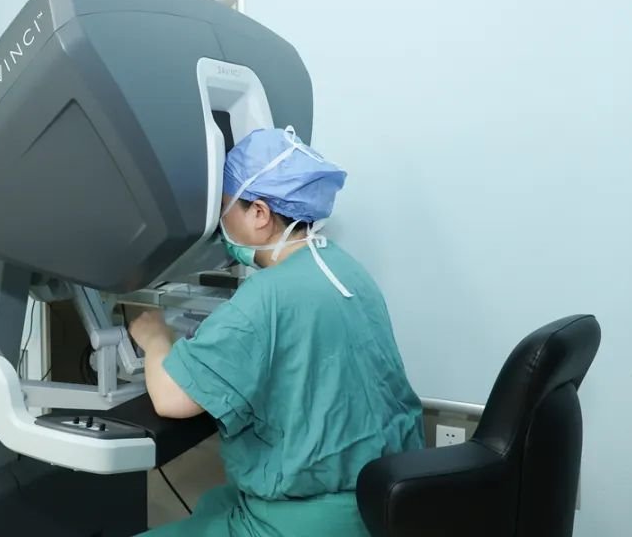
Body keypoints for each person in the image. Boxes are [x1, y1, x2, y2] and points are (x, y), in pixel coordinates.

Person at [128, 126, 425, 537]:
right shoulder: (344, 267)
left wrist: (154, 336)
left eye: (225, 209)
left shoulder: (267, 296)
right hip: (378, 504)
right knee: (214, 502)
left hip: (309, 522)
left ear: (259, 213)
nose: (220, 224)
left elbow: (171, 399)